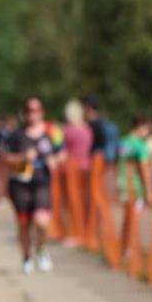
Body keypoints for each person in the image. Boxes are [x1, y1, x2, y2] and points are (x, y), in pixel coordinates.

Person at [3, 97, 63, 274]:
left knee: (41, 221)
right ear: (24, 113)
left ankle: (42, 250)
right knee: (23, 224)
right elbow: (5, 158)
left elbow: (62, 153)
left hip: (42, 182)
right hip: (20, 184)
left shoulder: (53, 132)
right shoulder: (16, 135)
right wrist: (23, 158)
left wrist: (55, 160)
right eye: (29, 110)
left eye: (36, 110)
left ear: (42, 112)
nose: (32, 114)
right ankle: (27, 257)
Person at [118, 115, 152, 259]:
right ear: (141, 127)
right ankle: (130, 250)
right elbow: (144, 169)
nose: (147, 133)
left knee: (127, 219)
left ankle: (124, 248)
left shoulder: (122, 142)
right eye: (147, 130)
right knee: (134, 219)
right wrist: (149, 191)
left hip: (122, 184)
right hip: (136, 187)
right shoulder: (140, 145)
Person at [62, 99, 94, 245]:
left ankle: (75, 233)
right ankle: (85, 232)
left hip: (71, 169)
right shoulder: (87, 129)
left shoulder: (68, 130)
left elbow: (64, 150)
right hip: (87, 167)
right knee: (83, 201)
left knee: (72, 202)